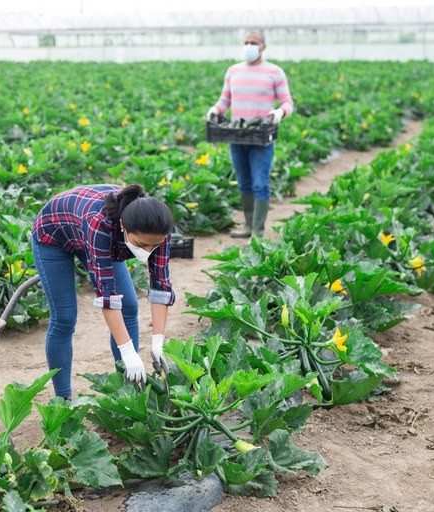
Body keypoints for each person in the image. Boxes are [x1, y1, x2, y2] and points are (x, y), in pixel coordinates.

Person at [30, 183, 176, 399]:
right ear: (124, 227)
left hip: (92, 231)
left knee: (129, 306)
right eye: (141, 244)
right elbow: (106, 295)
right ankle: (63, 398)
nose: (147, 251)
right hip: (54, 234)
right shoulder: (100, 223)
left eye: (152, 246)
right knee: (64, 318)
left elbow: (161, 285)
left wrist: (158, 343)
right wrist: (129, 352)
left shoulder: (157, 230)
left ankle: (128, 391)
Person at [206, 29, 294, 238]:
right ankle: (247, 226)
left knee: (259, 184)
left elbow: (287, 102)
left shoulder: (274, 72)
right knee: (244, 182)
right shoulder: (233, 71)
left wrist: (280, 112)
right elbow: (225, 101)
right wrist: (215, 110)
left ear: (263, 46)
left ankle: (258, 231)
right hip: (237, 134)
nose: (249, 46)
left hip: (261, 135)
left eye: (253, 42)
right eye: (246, 42)